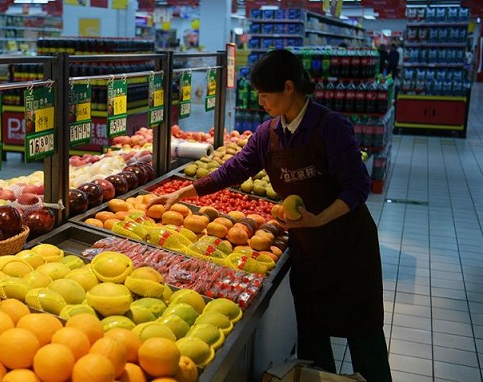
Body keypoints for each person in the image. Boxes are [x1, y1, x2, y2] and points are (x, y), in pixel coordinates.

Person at [148, 49, 392, 382]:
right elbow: (233, 170)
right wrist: (186, 191)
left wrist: (319, 219)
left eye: (266, 94)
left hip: (349, 247)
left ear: (289, 87)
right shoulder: (269, 134)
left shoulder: (330, 126)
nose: (261, 101)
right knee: (312, 338)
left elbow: (357, 187)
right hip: (308, 251)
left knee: (365, 339)